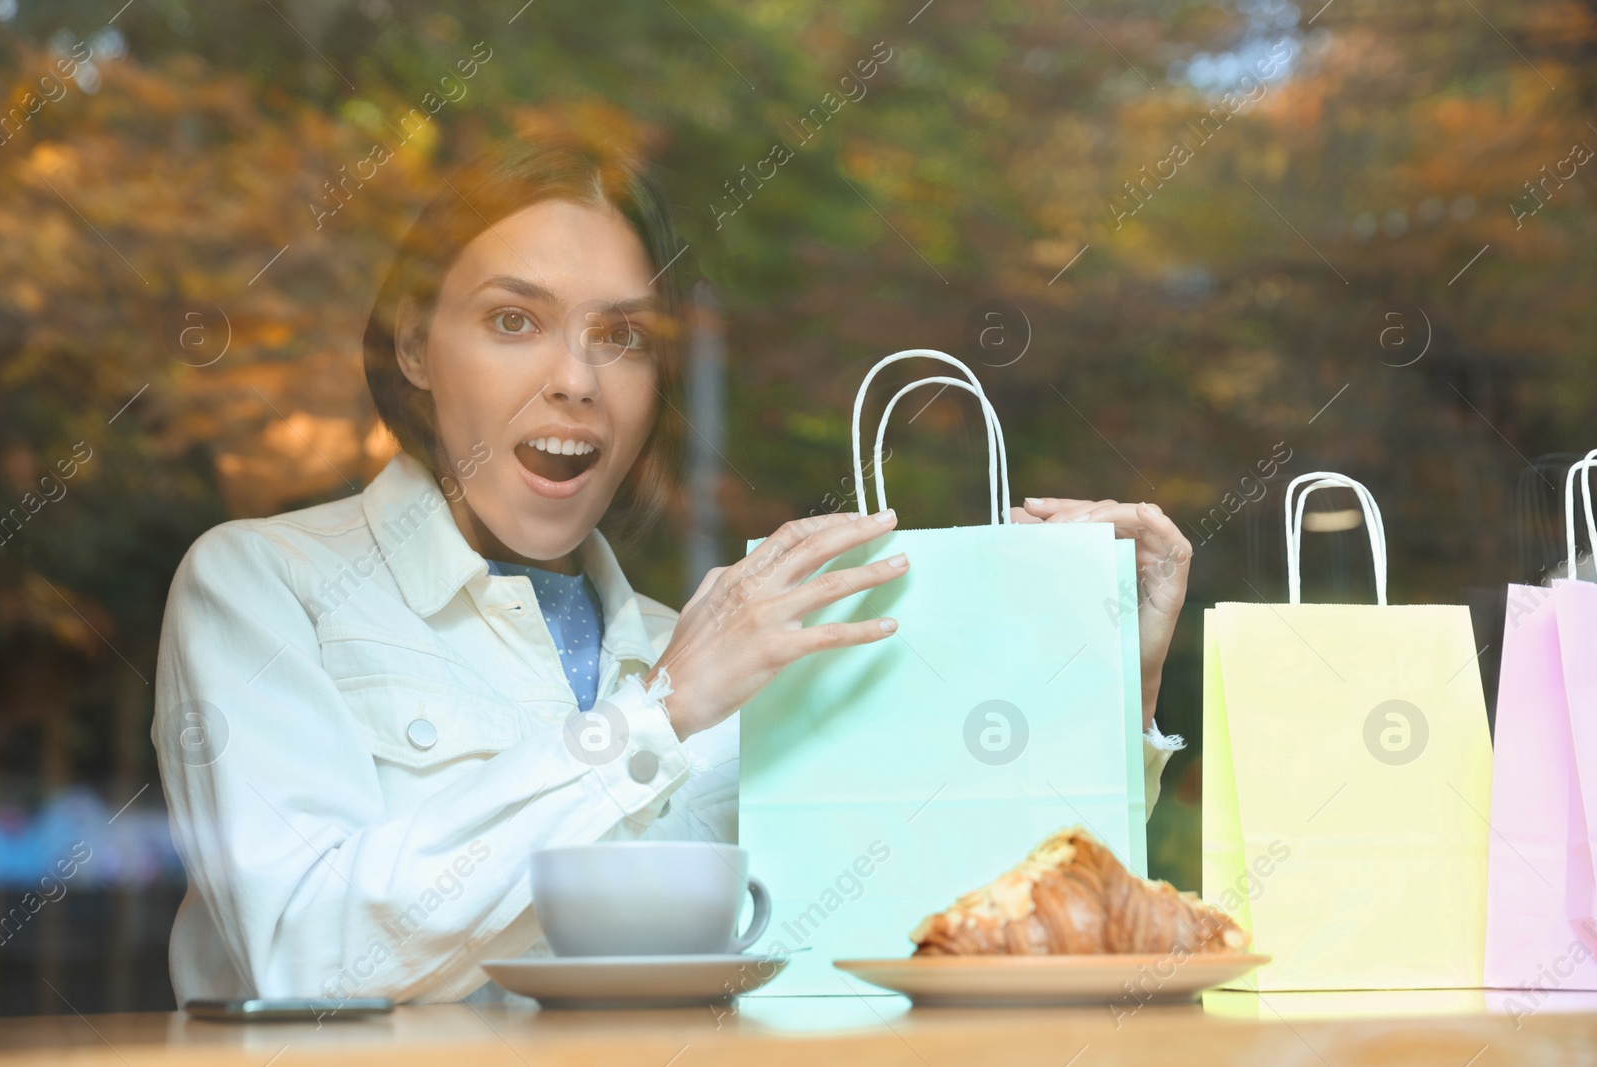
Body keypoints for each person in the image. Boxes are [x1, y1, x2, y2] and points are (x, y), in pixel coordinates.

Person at [151, 136, 1191, 1005]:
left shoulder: (703, 654)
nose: (575, 380)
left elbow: (952, 905)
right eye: (514, 321)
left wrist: (1101, 681)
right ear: (417, 346)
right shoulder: (260, 584)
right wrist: (655, 716)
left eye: (623, 338)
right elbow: (310, 952)